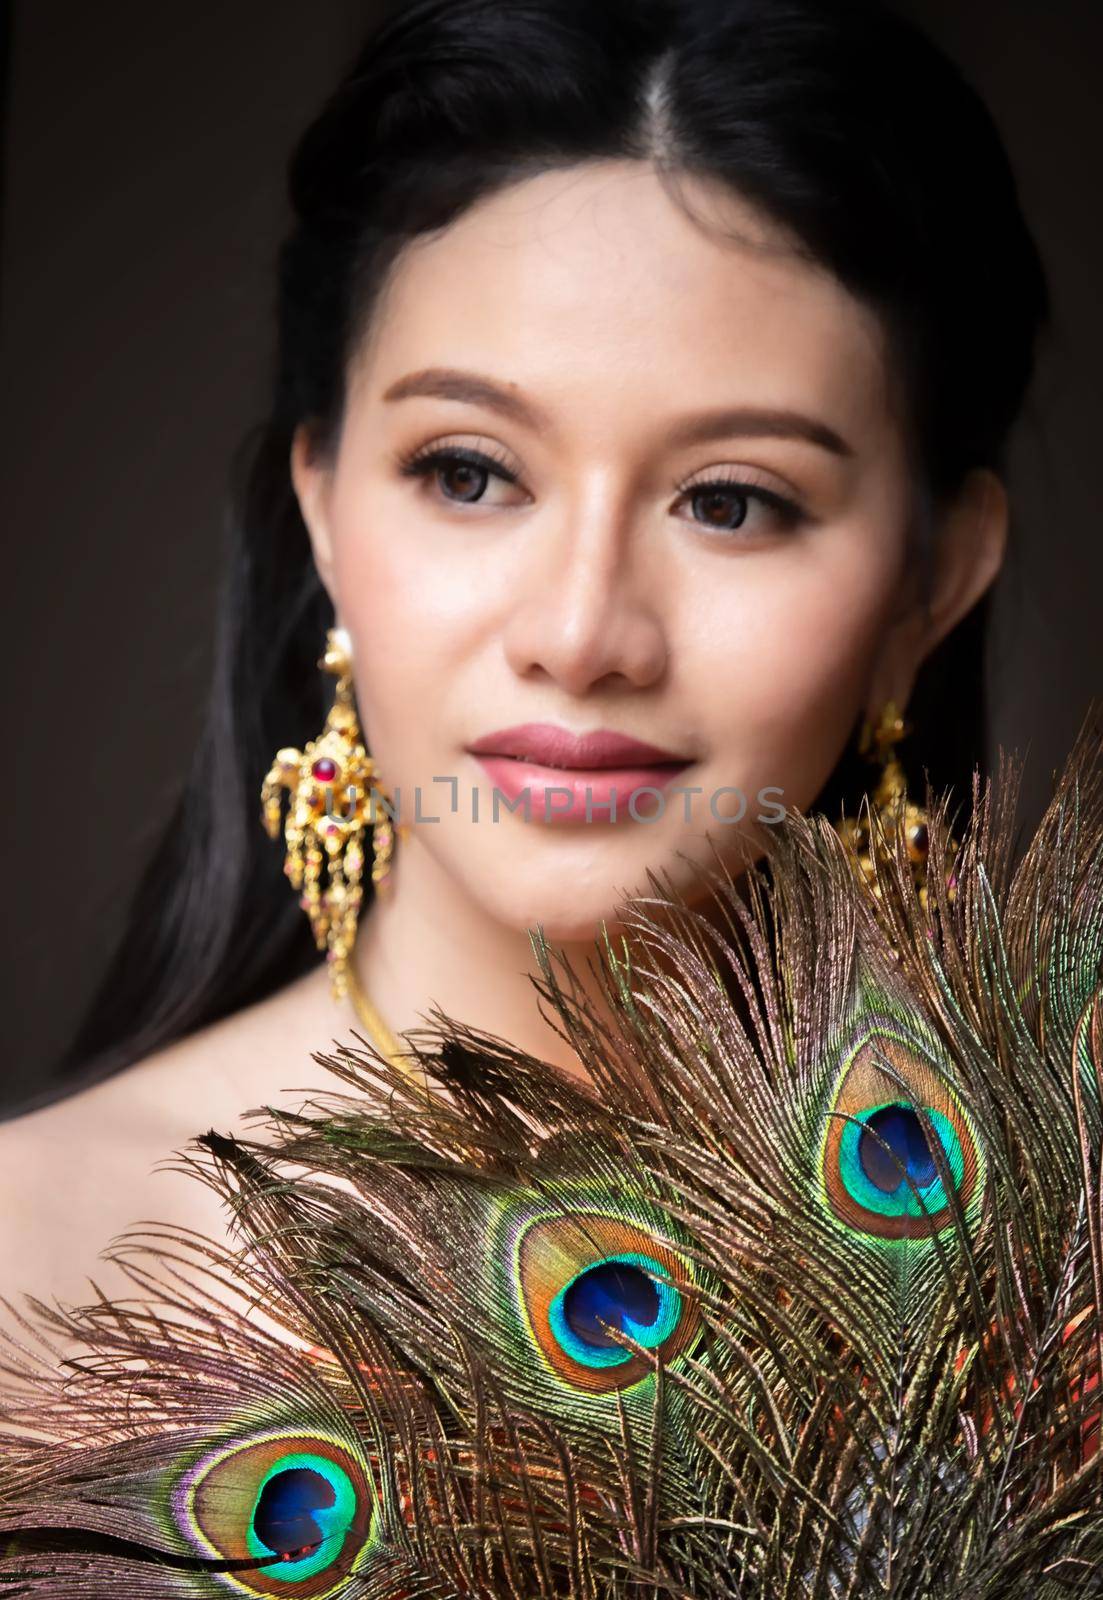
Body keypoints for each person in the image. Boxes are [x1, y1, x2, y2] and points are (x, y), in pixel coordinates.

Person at [0, 0, 1049, 1336]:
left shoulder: (1049, 1265)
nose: (580, 630)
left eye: (731, 501)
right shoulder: (35, 1269)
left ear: (930, 581)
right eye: (470, 472)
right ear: (321, 506)